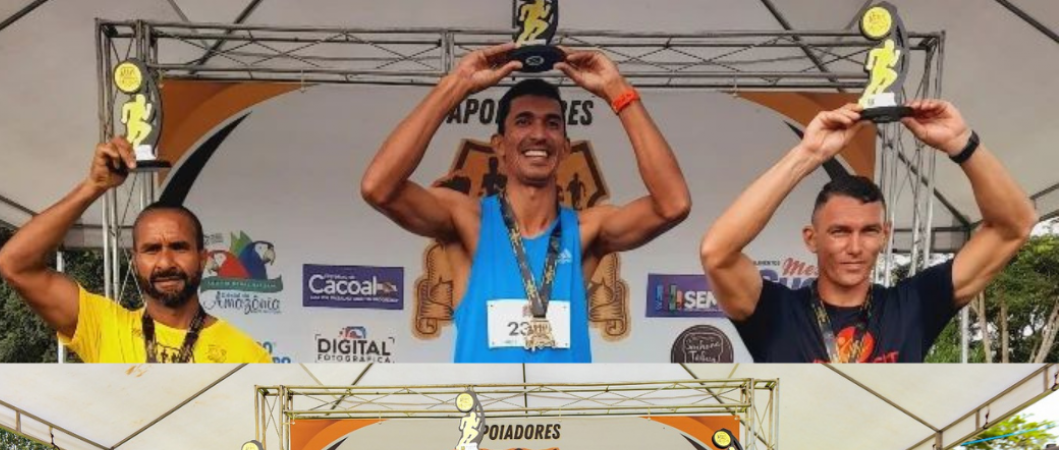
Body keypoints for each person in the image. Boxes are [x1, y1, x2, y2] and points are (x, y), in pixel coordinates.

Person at [361, 46, 690, 362]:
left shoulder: (589, 230)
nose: (539, 134)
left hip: (564, 419)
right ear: (499, 146)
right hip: (485, 418)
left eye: (552, 123)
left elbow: (672, 204)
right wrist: (455, 85)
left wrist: (617, 91)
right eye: (523, 121)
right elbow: (380, 188)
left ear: (564, 147)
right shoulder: (467, 222)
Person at [700, 101, 1036, 363]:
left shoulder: (915, 303)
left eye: (869, 230)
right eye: (839, 232)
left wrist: (961, 143)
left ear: (885, 235)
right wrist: (808, 154)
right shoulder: (773, 311)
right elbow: (717, 252)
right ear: (811, 238)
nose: (856, 247)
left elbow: (1014, 225)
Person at [0, 138, 270, 364]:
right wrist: (94, 186)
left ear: (203, 257)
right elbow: (14, 264)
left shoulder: (248, 356)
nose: (165, 262)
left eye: (178, 247)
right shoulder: (105, 327)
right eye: (151, 249)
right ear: (136, 260)